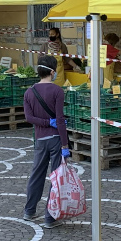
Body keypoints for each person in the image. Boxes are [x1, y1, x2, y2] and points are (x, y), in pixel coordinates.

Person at [23, 56, 71, 229]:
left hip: (40, 140)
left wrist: (43, 123)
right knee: (56, 178)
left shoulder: (29, 92)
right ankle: (50, 217)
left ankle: (29, 210)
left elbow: (29, 118)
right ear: (52, 72)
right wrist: (65, 145)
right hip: (55, 140)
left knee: (36, 175)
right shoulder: (58, 91)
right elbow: (59, 120)